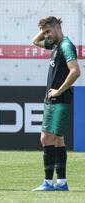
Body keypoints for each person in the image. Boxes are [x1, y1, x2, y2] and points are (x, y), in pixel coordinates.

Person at [31, 16, 80, 191]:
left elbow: (75, 71)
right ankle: (61, 183)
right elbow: (35, 41)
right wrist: (45, 27)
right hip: (54, 100)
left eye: (48, 32)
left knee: (46, 138)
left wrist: (58, 91)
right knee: (58, 140)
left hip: (59, 100)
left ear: (58, 27)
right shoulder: (56, 45)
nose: (46, 36)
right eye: (45, 32)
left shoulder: (66, 46)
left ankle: (47, 182)